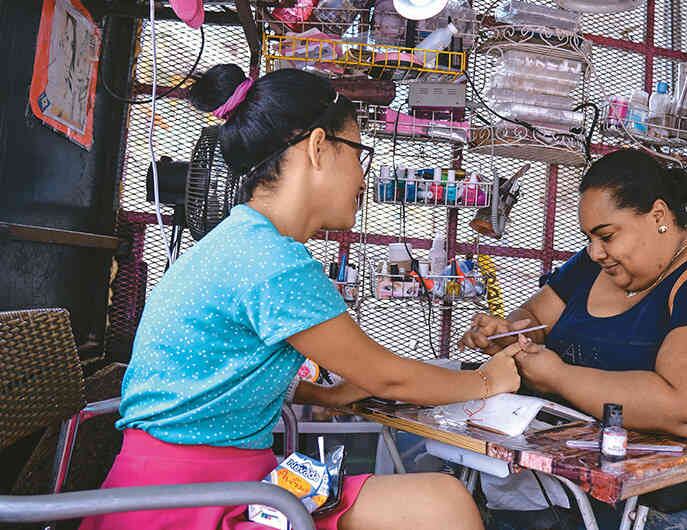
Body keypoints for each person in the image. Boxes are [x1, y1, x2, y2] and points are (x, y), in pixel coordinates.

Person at [81, 64, 522, 530]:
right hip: (188, 504)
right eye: (358, 153)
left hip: (174, 488)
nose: (361, 177)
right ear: (318, 147)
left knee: (439, 501)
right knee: (443, 505)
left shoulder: (241, 240)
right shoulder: (273, 259)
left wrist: (324, 395)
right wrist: (487, 383)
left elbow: (219, 368)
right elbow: (389, 379)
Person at [460, 148, 687, 530]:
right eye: (589, 239)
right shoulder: (589, 267)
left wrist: (560, 377)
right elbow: (535, 319)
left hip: (680, 500)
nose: (595, 252)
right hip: (571, 483)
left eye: (607, 236)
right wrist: (509, 333)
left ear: (659, 217)